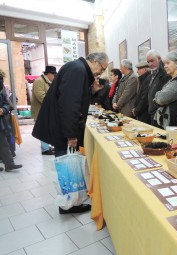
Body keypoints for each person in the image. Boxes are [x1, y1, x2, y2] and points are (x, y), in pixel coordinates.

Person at [32, 52, 108, 214]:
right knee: (65, 165)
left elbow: (77, 98)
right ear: (95, 61)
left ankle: (70, 201)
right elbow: (69, 105)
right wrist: (71, 135)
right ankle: (68, 204)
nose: (101, 72)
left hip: (61, 125)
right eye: (102, 68)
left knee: (66, 164)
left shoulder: (77, 68)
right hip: (62, 127)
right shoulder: (78, 70)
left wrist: (92, 90)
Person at [153, 52, 177, 129]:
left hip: (172, 123)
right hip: (168, 122)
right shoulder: (173, 79)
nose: (165, 66)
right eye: (164, 64)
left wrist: (157, 96)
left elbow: (161, 98)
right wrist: (158, 95)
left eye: (168, 63)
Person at [31, 65, 57, 156]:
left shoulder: (47, 81)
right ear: (49, 73)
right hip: (40, 110)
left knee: (47, 127)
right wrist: (53, 103)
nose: (54, 77)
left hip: (46, 109)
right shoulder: (39, 81)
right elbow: (40, 96)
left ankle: (47, 146)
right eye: (54, 75)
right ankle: (45, 149)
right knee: (43, 128)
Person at [0, 74, 22, 172]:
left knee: (3, 143)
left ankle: (9, 164)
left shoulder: (1, 88)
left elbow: (6, 103)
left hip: (1, 121)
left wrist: (3, 109)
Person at [146, 50, 171, 126]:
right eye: (148, 62)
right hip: (153, 113)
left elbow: (164, 96)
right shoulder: (153, 74)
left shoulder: (165, 74)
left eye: (152, 61)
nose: (150, 64)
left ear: (159, 58)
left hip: (160, 114)